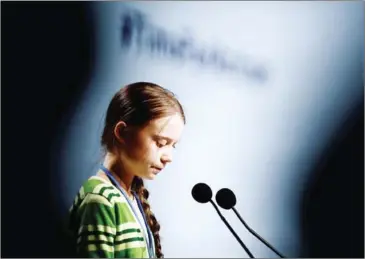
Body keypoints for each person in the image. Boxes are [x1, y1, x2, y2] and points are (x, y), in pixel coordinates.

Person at [68, 82, 186, 258]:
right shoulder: (101, 199)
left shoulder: (130, 197)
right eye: (161, 143)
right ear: (122, 132)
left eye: (172, 146)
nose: (168, 157)